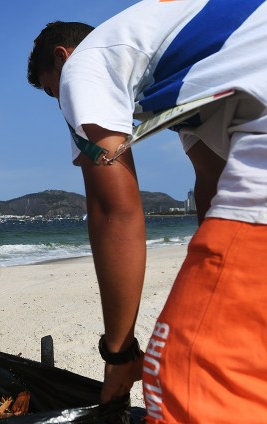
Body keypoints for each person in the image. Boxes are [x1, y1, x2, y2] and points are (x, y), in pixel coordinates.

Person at [27, 1, 267, 422]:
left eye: (53, 91)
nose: (61, 104)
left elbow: (114, 211)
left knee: (185, 373)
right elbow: (213, 186)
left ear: (62, 57)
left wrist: (118, 353)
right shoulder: (192, 76)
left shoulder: (84, 61)